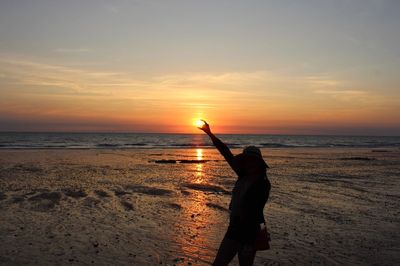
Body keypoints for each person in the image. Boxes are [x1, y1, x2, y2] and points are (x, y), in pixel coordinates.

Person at [198, 120, 271, 266]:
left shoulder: (263, 184)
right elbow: (226, 153)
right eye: (246, 160)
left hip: (248, 231)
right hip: (234, 227)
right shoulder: (243, 175)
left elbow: (255, 211)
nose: (249, 162)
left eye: (252, 160)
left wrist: (250, 241)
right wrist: (210, 133)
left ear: (258, 163)